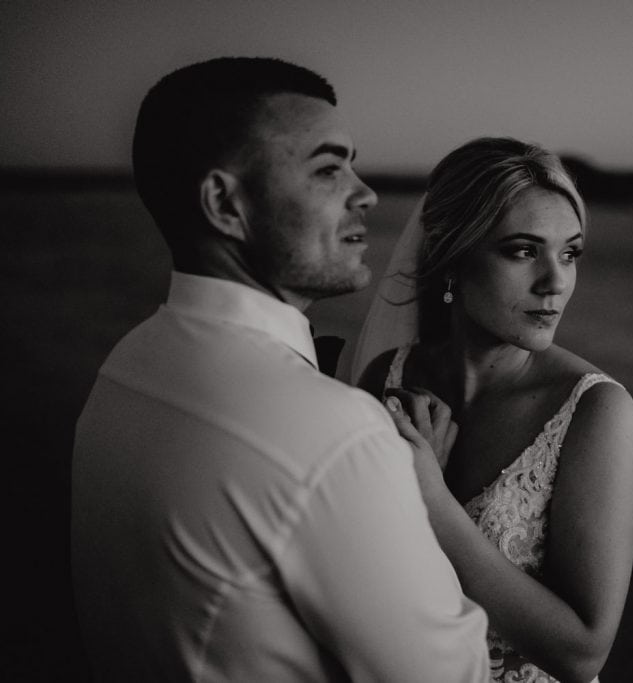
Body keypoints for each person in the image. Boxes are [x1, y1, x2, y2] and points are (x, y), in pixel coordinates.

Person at [71, 57, 490, 682]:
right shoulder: (336, 434)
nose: (365, 192)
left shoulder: (127, 364)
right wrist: (413, 502)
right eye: (328, 168)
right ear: (224, 203)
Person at [354, 137, 633, 683]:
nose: (555, 282)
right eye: (523, 251)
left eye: (570, 253)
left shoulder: (595, 412)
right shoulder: (387, 380)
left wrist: (432, 504)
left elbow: (583, 653)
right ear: (451, 259)